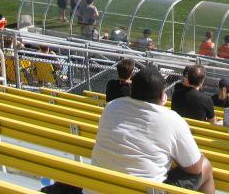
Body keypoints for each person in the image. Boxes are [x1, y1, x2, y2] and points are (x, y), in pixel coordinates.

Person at [88, 65, 215, 194]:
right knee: (205, 166)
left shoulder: (111, 107)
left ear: (131, 88)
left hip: (97, 188)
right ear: (162, 95)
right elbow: (195, 169)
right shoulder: (172, 120)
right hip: (144, 190)